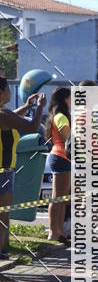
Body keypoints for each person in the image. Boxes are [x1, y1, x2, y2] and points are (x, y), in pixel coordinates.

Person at [0, 77, 46, 259]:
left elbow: (11, 118)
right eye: (7, 89)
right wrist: (40, 107)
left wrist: (26, 107)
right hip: (3, 173)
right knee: (2, 220)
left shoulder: (4, 114)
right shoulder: (3, 115)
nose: (11, 92)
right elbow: (33, 127)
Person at [45, 86, 72, 243]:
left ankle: (60, 231)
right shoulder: (61, 115)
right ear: (64, 99)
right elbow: (67, 136)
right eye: (70, 97)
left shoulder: (58, 114)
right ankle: (53, 232)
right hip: (60, 157)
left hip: (63, 158)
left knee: (62, 198)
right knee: (57, 197)